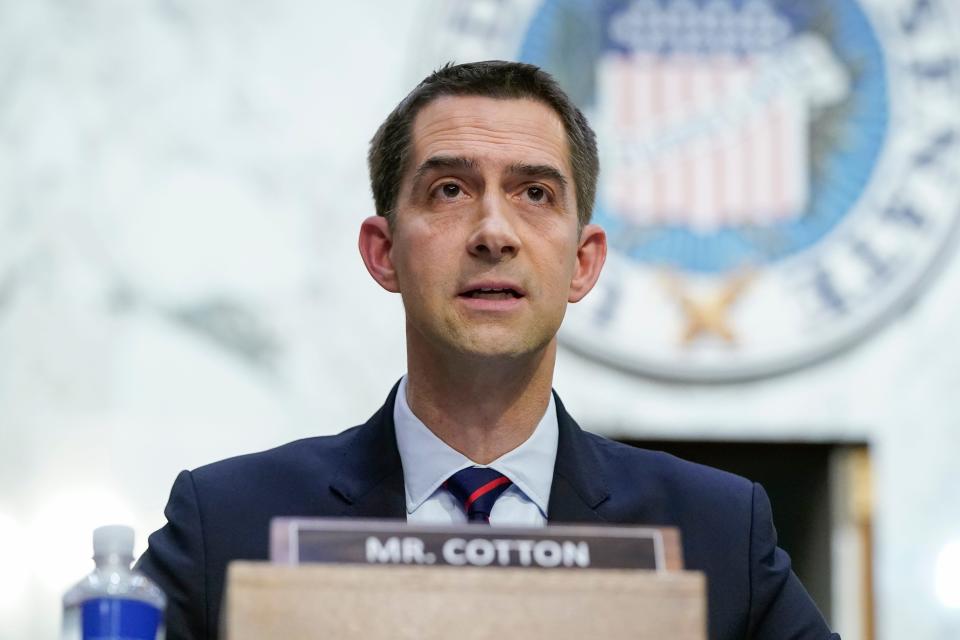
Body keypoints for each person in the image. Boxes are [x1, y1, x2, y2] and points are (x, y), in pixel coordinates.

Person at [137, 60, 839, 640]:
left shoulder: (713, 532)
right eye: (450, 190)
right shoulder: (230, 521)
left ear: (584, 262)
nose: (493, 232)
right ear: (383, 253)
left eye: (534, 193)